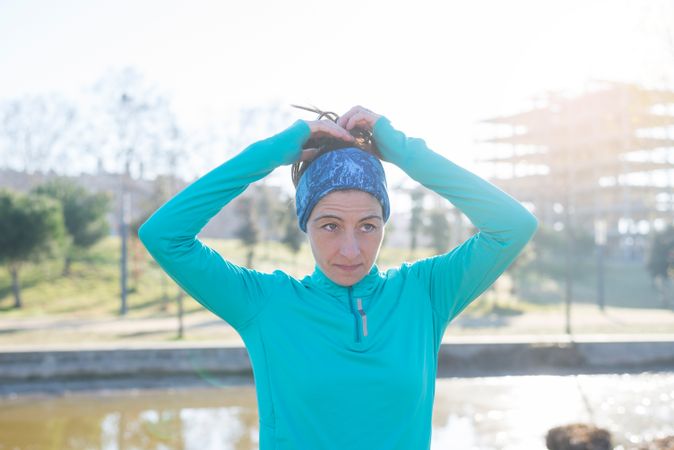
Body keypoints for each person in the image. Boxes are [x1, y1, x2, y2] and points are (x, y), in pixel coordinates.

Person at [138, 105, 538, 449]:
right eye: (330, 226)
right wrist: (269, 153)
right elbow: (164, 235)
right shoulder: (265, 304)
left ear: (385, 224)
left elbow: (512, 224)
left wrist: (403, 152)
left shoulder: (425, 294)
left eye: (368, 226)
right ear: (305, 225)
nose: (351, 249)